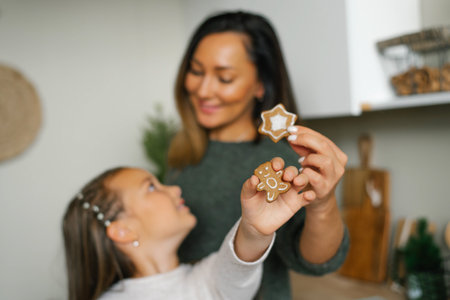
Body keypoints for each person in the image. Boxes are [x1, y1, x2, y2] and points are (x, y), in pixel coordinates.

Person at [167, 10, 350, 299]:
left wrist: (323, 204)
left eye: (224, 78)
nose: (203, 90)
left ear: (260, 85)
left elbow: (317, 262)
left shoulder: (282, 161)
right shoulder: (181, 153)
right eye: (196, 71)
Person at [62, 158, 311, 300]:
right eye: (151, 187)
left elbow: (234, 267)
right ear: (123, 230)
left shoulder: (207, 280)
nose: (175, 190)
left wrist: (255, 229)